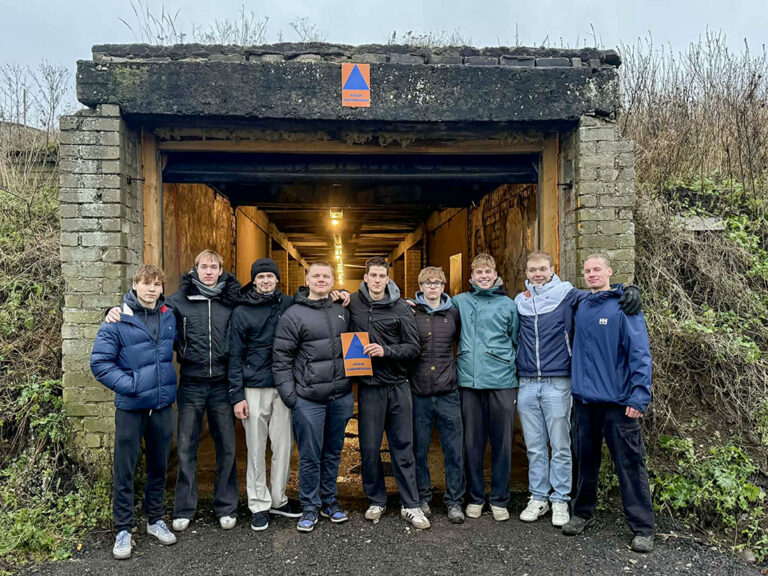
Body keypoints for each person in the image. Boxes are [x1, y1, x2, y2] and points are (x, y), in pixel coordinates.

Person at [107, 250, 241, 532]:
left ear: (220, 271)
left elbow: (259, 305)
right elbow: (146, 310)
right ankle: (184, 508)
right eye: (203, 266)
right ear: (195, 269)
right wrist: (111, 310)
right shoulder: (178, 301)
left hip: (221, 383)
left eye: (213, 267)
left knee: (228, 446)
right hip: (191, 382)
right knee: (186, 446)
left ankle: (226, 506)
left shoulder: (231, 299)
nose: (208, 271)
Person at [514, 250, 641, 527]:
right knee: (535, 446)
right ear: (526, 273)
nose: (538, 274)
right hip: (527, 382)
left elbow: (601, 296)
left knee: (560, 445)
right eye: (533, 270)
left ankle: (560, 499)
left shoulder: (568, 294)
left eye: (543, 269)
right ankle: (538, 497)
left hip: (558, 380)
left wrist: (628, 290)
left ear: (552, 269)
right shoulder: (520, 301)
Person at [229, 258, 350, 532]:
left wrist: (342, 294)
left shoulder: (288, 303)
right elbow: (234, 355)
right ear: (253, 280)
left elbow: (315, 300)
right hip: (256, 387)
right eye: (260, 277)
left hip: (286, 388)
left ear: (277, 279)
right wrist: (236, 394)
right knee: (256, 449)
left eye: (270, 276)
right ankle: (258, 504)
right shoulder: (242, 310)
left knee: (283, 448)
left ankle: (278, 499)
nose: (266, 281)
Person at [562, 254, 654, 554]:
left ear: (610, 272)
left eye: (597, 269)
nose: (591, 274)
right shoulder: (579, 304)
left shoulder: (625, 306)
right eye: (587, 270)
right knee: (584, 462)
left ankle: (642, 528)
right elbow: (552, 287)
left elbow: (639, 353)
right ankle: (582, 513)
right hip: (585, 402)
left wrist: (639, 396)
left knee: (629, 465)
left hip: (619, 403)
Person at [91, 265, 178, 560]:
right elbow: (100, 363)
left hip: (162, 406)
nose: (151, 289)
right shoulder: (117, 319)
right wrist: (131, 386)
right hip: (131, 407)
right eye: (146, 283)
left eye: (157, 284)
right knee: (125, 469)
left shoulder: (168, 316)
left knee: (158, 467)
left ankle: (155, 520)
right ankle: (123, 529)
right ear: (135, 285)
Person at [347, 256, 430, 529]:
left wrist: (385, 351)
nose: (377, 280)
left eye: (382, 276)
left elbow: (413, 348)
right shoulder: (353, 303)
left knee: (403, 447)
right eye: (373, 275)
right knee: (369, 448)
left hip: (398, 386)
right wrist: (338, 294)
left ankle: (410, 504)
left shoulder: (401, 307)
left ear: (387, 278)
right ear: (365, 277)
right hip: (369, 388)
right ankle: (376, 500)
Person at [272, 262, 354, 532]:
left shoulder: (342, 310)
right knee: (310, 455)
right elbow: (281, 359)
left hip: (340, 396)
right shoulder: (293, 315)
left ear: (333, 280)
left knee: (333, 452)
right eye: (316, 275)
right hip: (308, 399)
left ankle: (330, 501)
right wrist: (291, 397)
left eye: (326, 276)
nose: (321, 279)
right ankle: (310, 506)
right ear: (306, 279)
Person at [453, 253, 518, 522]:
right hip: (469, 381)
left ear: (495, 275)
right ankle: (476, 498)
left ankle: (500, 499)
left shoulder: (508, 305)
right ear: (471, 276)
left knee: (502, 443)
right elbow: (436, 315)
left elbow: (516, 339)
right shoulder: (459, 302)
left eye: (487, 272)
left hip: (502, 381)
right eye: (478, 272)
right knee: (472, 442)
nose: (483, 276)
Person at [410, 266, 466, 524]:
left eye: (437, 283)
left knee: (453, 449)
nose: (432, 287)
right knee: (419, 449)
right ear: (420, 287)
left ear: (444, 286)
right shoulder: (411, 312)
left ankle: (454, 501)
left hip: (448, 391)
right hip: (419, 391)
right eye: (427, 283)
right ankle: (423, 497)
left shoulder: (453, 313)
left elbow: (463, 342)